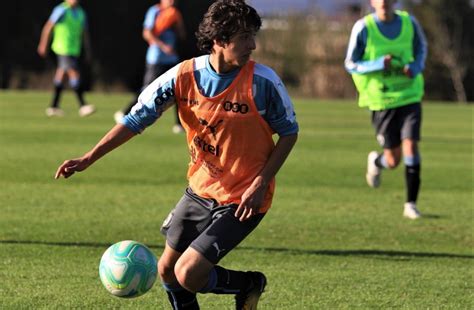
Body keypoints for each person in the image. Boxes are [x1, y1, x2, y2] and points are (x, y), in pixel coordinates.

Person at [55, 0, 299, 309]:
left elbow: (289, 132)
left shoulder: (263, 82)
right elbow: (134, 120)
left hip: (244, 197)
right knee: (167, 271)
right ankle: (240, 286)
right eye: (244, 37)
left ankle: (248, 284)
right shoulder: (183, 75)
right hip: (200, 190)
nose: (253, 45)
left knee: (188, 272)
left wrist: (261, 183)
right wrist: (89, 157)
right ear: (220, 40)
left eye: (253, 35)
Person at [344, 0, 427, 219]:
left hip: (409, 96)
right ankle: (377, 161)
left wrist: (416, 67)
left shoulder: (410, 23)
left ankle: (411, 204)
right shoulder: (363, 27)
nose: (384, 2)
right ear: (372, 2)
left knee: (411, 147)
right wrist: (378, 63)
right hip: (382, 102)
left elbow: (421, 50)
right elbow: (351, 64)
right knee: (393, 160)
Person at [114, 0, 186, 134]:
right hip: (156, 58)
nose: (172, 1)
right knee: (147, 89)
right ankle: (125, 112)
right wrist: (164, 47)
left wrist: (178, 22)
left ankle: (179, 124)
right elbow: (147, 33)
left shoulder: (175, 13)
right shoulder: (155, 11)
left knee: (178, 90)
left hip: (172, 59)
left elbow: (182, 35)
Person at [37, 0, 95, 117]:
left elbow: (84, 33)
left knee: (61, 75)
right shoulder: (61, 10)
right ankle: (83, 105)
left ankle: (53, 106)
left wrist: (87, 50)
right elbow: (48, 27)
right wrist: (43, 44)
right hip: (62, 48)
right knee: (73, 73)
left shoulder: (81, 13)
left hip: (74, 50)